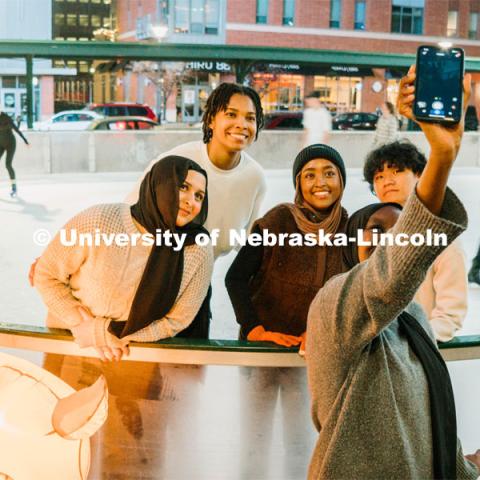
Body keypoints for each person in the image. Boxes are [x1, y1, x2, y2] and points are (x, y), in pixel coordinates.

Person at [306, 67, 480, 479]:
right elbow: (389, 277)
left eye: (401, 229)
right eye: (379, 232)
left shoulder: (415, 322)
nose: (392, 241)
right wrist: (442, 156)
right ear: (352, 246)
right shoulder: (333, 304)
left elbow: (429, 425)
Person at [34, 155, 213, 362]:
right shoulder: (99, 220)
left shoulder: (197, 247)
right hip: (71, 345)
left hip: (131, 355)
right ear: (159, 185)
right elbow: (47, 275)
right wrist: (81, 324)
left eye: (199, 196)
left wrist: (109, 333)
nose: (191, 201)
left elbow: (177, 320)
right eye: (183, 187)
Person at [225, 144, 347, 351]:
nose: (321, 183)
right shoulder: (277, 221)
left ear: (341, 180)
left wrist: (323, 330)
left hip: (315, 350)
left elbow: (352, 295)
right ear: (298, 183)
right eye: (310, 176)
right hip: (264, 347)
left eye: (329, 173)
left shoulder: (350, 228)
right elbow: (235, 278)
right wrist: (256, 331)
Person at [125, 82, 266, 260]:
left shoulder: (255, 178)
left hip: (201, 279)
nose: (242, 124)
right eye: (231, 114)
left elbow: (248, 244)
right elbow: (128, 216)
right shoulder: (175, 161)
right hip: (150, 269)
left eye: (250, 118)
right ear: (211, 120)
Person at [363, 140, 468, 341]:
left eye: (397, 172)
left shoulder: (441, 236)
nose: (387, 181)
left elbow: (450, 314)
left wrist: (411, 345)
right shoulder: (369, 233)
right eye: (379, 176)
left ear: (420, 175)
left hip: (416, 354)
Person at [0, 110, 29, 197]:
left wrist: (26, 141)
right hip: (0, 144)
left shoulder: (6, 118)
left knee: (8, 165)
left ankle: (14, 187)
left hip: (10, 144)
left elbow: (16, 129)